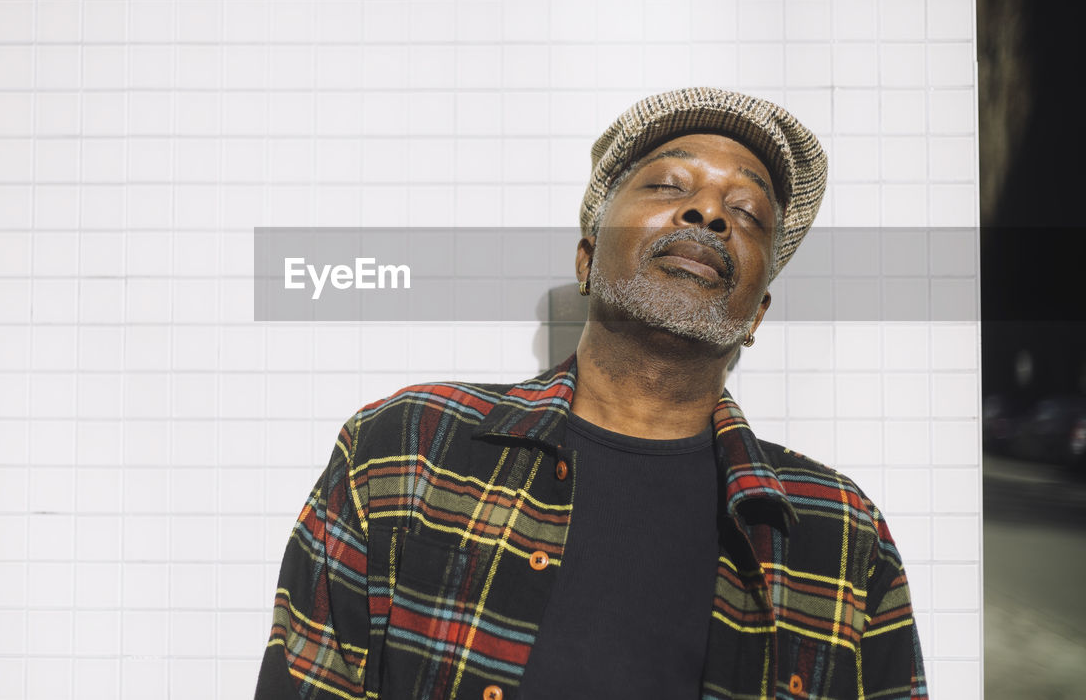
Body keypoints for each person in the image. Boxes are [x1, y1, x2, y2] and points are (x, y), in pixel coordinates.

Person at [255, 87, 928, 700]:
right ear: (586, 259)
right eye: (669, 183)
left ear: (756, 314)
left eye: (748, 213)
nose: (709, 212)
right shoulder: (407, 448)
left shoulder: (839, 536)